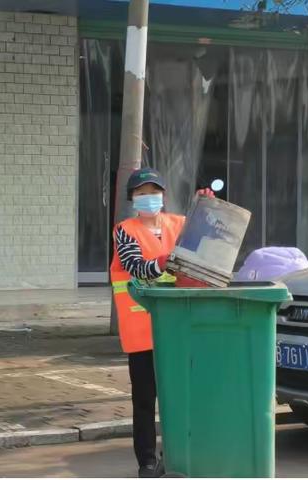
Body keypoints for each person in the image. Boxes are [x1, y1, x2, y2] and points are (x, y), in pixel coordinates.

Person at [110, 167, 213, 478]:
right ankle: (147, 462)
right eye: (141, 194)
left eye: (154, 193)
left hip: (179, 328)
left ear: (163, 196)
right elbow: (135, 266)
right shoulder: (124, 231)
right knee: (144, 400)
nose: (149, 198)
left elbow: (206, 238)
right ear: (132, 199)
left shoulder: (180, 224)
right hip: (143, 332)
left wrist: (205, 208)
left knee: (180, 397)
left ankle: (176, 455)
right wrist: (163, 261)